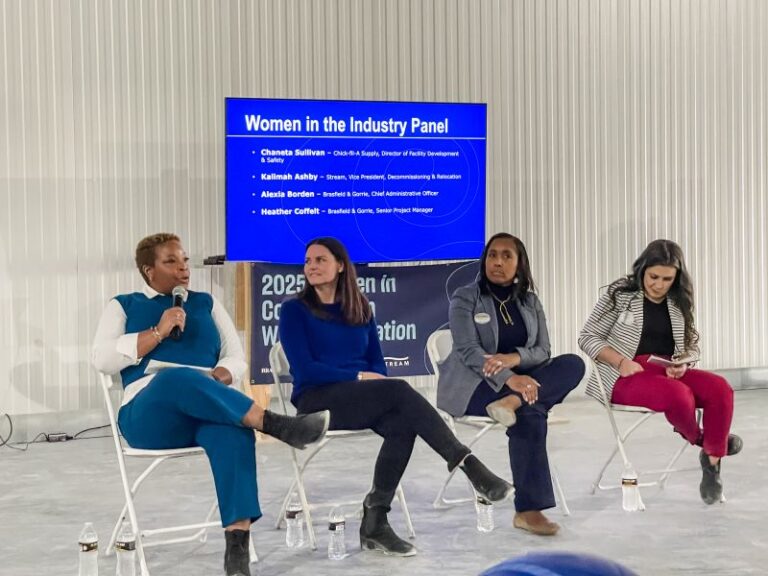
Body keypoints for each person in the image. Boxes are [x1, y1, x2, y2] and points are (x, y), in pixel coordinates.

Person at [92, 233, 330, 576]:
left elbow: (235, 357)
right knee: (177, 378)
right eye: (171, 261)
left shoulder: (207, 303)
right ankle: (276, 424)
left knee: (233, 434)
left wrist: (221, 374)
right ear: (148, 270)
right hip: (148, 416)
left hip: (205, 406)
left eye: (185, 260)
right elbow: (101, 359)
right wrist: (158, 333)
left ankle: (236, 553)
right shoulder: (124, 305)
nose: (183, 268)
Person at [278, 237, 512, 557]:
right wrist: (359, 376)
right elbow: (305, 370)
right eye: (308, 261)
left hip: (356, 397)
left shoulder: (359, 306)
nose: (312, 267)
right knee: (400, 391)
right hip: (316, 400)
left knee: (403, 422)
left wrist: (366, 378)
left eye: (320, 260)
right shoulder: (294, 310)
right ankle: (467, 463)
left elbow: (377, 362)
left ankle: (376, 518)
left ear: (340, 265)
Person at [437, 233, 584, 536]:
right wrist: (509, 378)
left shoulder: (529, 301)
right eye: (493, 255)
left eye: (507, 256)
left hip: (517, 385)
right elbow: (468, 351)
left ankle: (513, 402)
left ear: (520, 264)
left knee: (573, 363)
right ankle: (529, 511)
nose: (498, 262)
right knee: (532, 412)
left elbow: (543, 351)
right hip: (475, 385)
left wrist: (513, 359)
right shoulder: (466, 298)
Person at [579, 239, 742, 505]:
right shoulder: (619, 294)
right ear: (642, 269)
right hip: (626, 374)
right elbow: (588, 337)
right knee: (678, 395)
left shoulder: (678, 300)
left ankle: (712, 464)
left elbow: (691, 343)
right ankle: (707, 442)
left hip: (668, 368)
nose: (658, 284)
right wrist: (621, 361)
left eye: (667, 279)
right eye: (653, 276)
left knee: (720, 388)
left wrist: (684, 362)